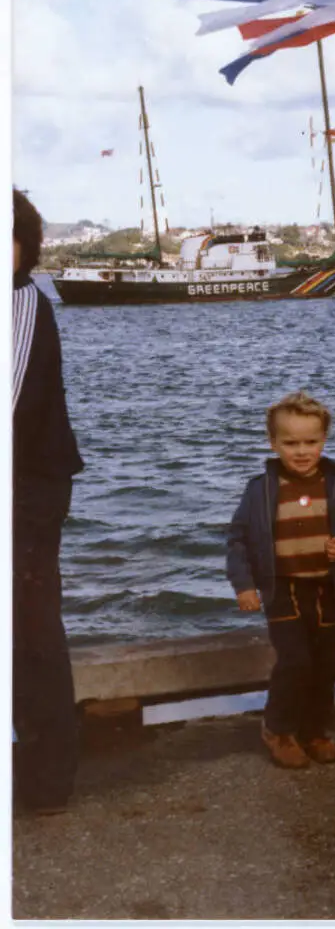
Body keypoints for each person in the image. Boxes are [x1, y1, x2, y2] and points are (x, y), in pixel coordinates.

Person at [226, 392, 335, 769]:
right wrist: (244, 585)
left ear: (324, 440)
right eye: (291, 443)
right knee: (294, 661)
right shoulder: (260, 488)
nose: (302, 451)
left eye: (311, 441)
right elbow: (239, 539)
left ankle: (315, 730)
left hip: (326, 586)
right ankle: (278, 729)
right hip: (283, 589)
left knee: (325, 663)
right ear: (273, 443)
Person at [13, 187, 84, 814]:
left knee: (31, 628)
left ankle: (47, 776)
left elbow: (13, 407)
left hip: (27, 493)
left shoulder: (22, 303)